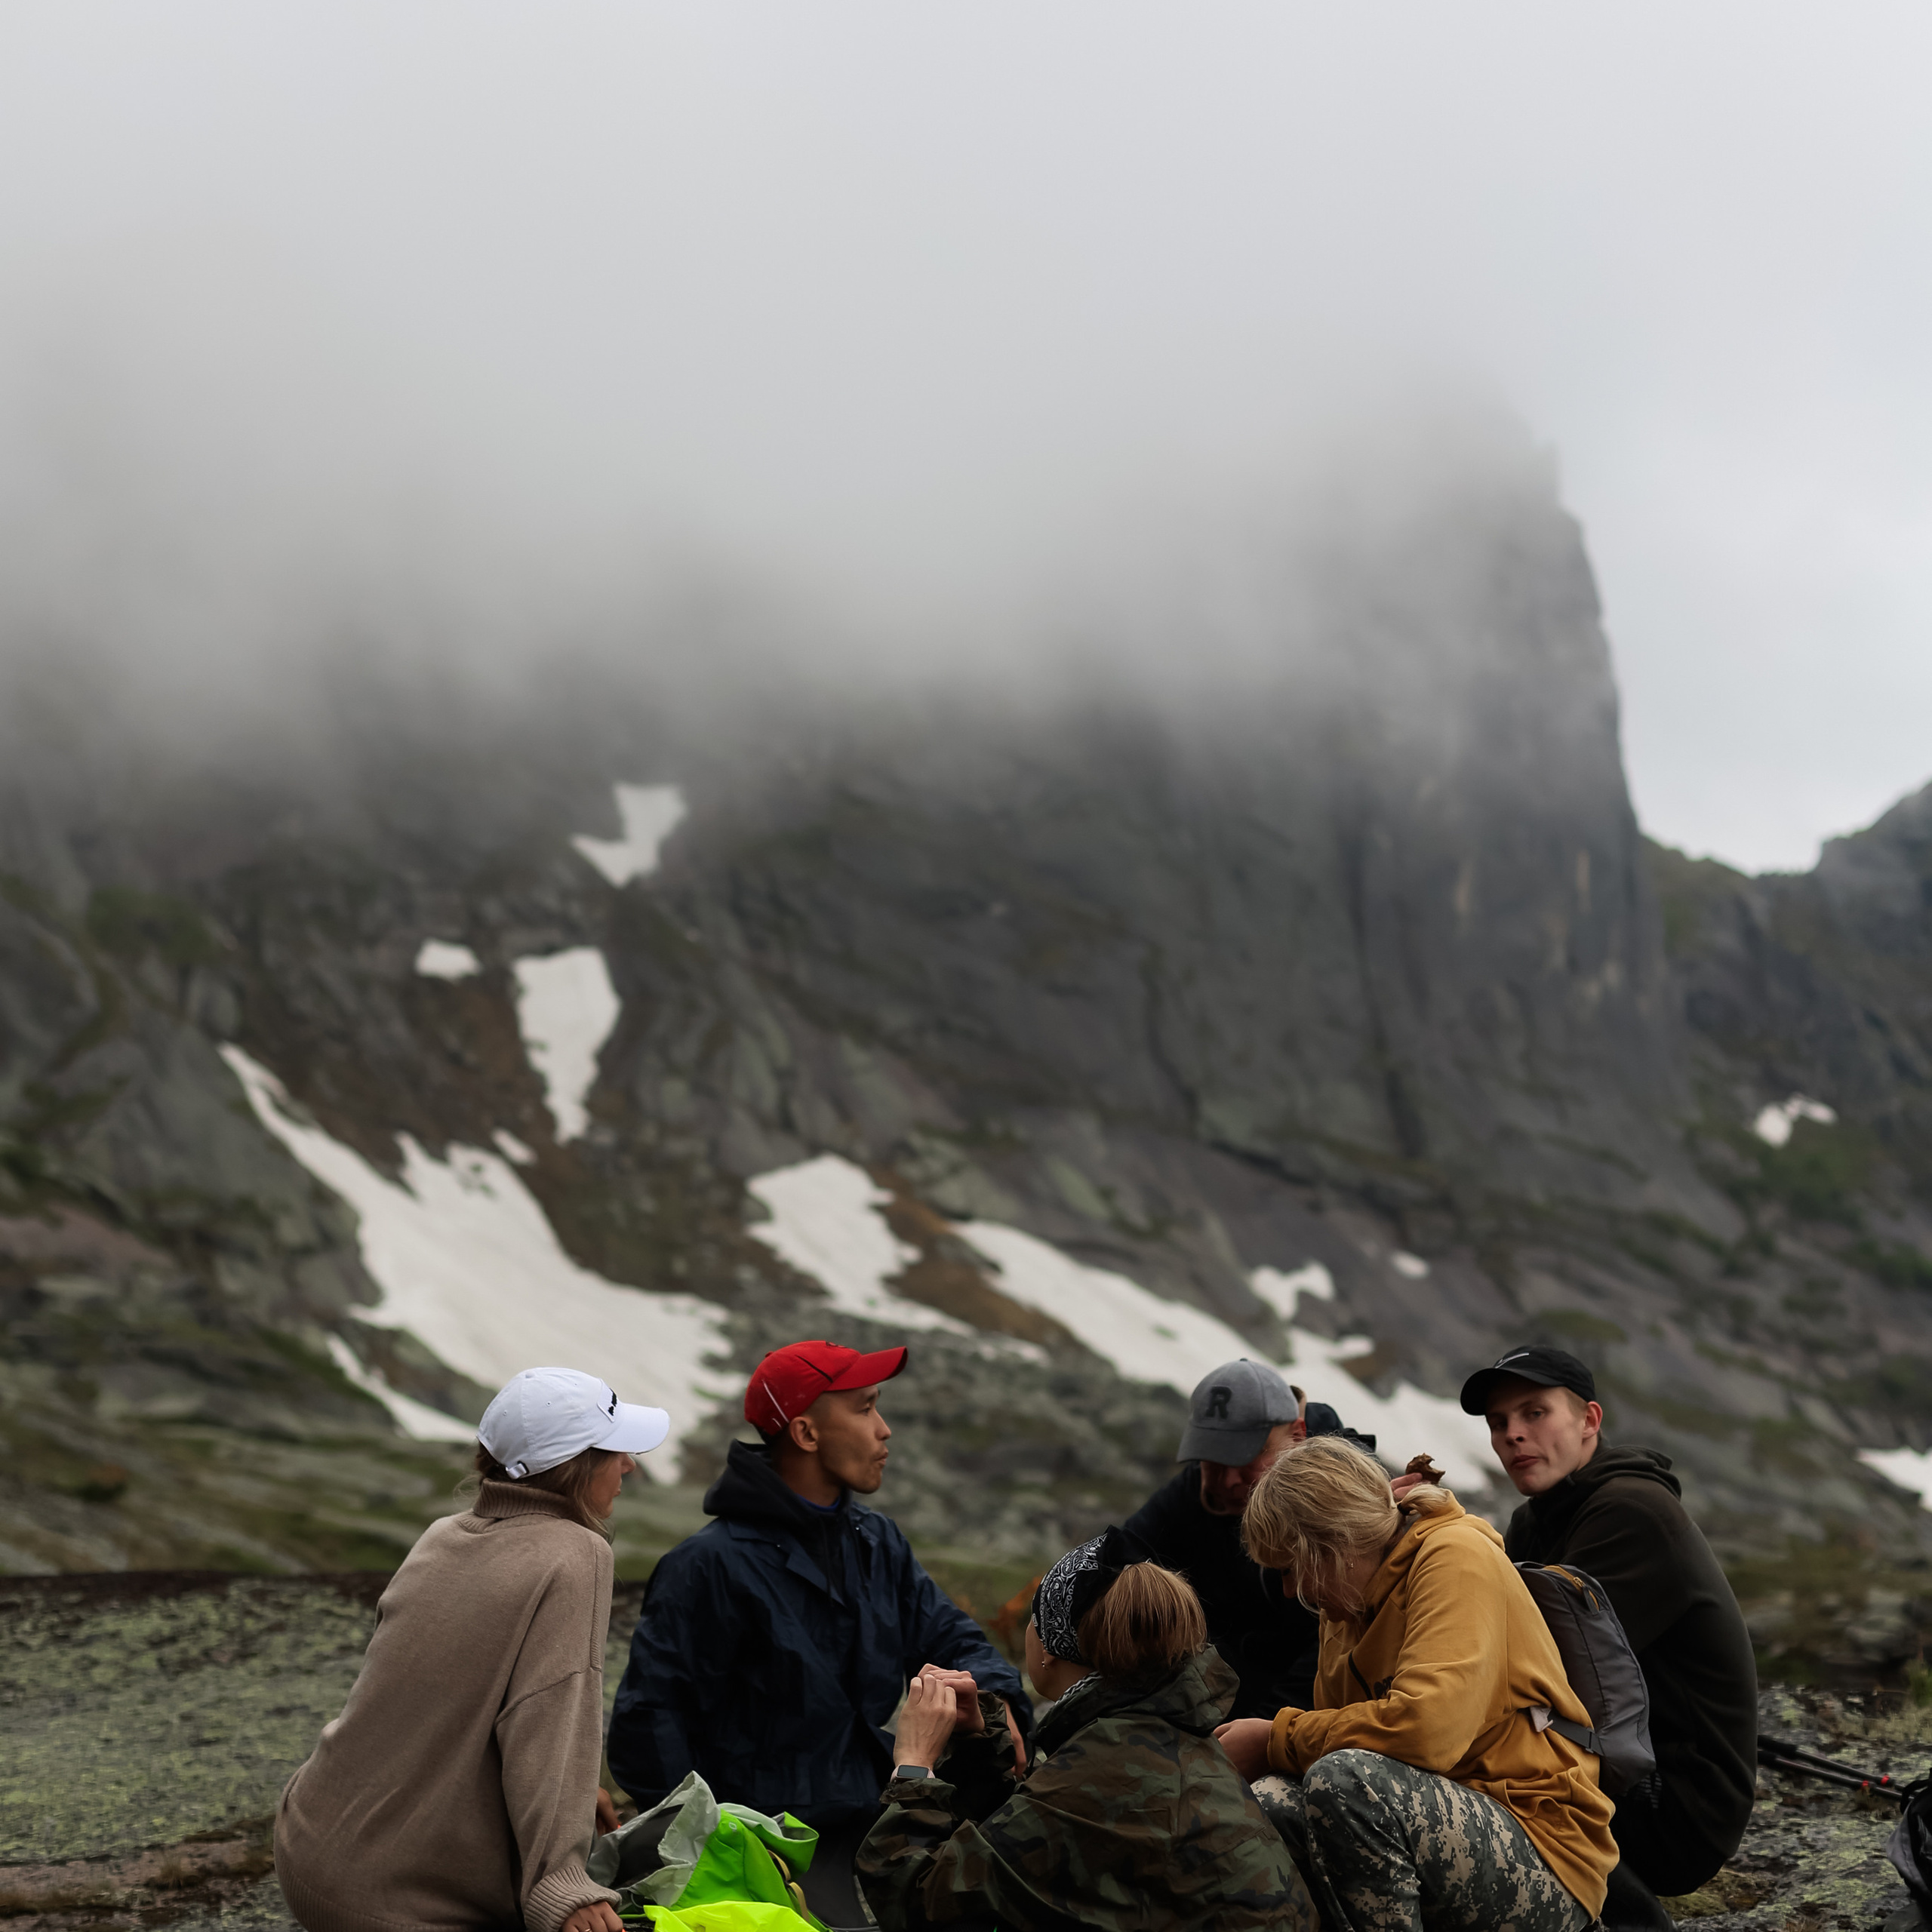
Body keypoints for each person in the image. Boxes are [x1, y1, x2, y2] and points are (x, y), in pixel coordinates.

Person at [605, 1340, 1028, 1924]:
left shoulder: (877, 1543)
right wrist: (718, 1852)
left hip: (874, 1830)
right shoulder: (708, 1566)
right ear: (805, 1434)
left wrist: (1000, 1705)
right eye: (864, 1408)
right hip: (768, 1855)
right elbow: (648, 1729)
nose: (884, 1431)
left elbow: (954, 1639)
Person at [275, 1366, 669, 1932]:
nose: (629, 1465)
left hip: (311, 1844)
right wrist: (562, 1884)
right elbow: (545, 1718)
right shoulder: (576, 1553)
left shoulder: (445, 1533)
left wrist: (581, 1795)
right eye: (613, 1450)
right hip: (398, 1902)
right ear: (574, 1466)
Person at [1217, 1435, 1618, 1932]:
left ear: (1335, 1544)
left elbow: (1428, 1731)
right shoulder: (1344, 1603)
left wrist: (1276, 1738)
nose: (1289, 1589)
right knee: (1270, 1801)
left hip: (1543, 1853)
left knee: (1346, 1782)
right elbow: (1345, 1739)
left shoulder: (1455, 1555)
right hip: (1437, 1830)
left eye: (1294, 1567)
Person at [856, 1527, 1318, 1931]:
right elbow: (1018, 1850)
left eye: (1035, 1617)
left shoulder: (1107, 1767)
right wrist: (982, 1744)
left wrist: (914, 1765)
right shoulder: (1151, 1736)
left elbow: (915, 1899)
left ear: (1050, 1649)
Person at [1461, 1345, 1758, 1924]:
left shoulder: (1630, 1511)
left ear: (1589, 1421)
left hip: (1676, 1801)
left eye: (1534, 1413)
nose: (1512, 1435)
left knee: (1475, 1758)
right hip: (1621, 1766)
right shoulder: (1537, 1520)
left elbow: (1529, 1663)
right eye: (1499, 1423)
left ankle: (1634, 1922)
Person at [1124, 1357, 1325, 1716]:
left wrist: (1268, 1736)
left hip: (1315, 1715)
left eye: (1248, 1457)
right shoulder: (1192, 1495)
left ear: (1298, 1434)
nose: (1229, 1481)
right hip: (1218, 1707)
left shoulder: (1344, 1499)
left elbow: (1336, 1646)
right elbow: (1116, 1561)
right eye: (1213, 1459)